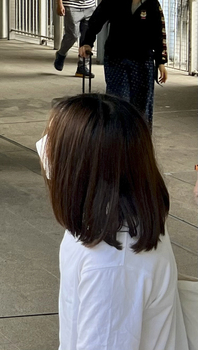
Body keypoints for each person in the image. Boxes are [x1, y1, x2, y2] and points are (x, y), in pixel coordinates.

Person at [40, 94, 187, 350]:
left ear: (79, 166)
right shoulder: (107, 220)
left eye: (52, 143)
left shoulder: (112, 264)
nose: (43, 148)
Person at [79, 0, 167, 124]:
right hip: (116, 57)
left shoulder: (152, 2)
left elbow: (158, 33)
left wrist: (160, 61)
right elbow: (96, 21)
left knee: (142, 104)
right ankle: (117, 140)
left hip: (143, 60)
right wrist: (87, 43)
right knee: (117, 100)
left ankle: (140, 143)